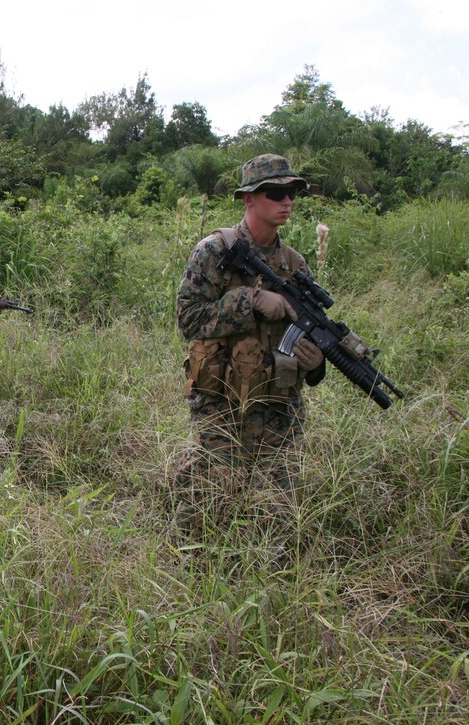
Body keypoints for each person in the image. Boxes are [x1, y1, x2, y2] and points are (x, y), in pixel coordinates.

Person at [174, 154, 327, 536]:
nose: (287, 201)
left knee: (277, 511)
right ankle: (187, 568)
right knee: (207, 498)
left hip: (278, 407)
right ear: (249, 200)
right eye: (276, 193)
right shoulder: (215, 252)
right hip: (221, 402)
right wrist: (250, 301)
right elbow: (188, 319)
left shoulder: (295, 265)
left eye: (292, 192)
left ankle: (266, 580)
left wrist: (315, 361)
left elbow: (309, 337)